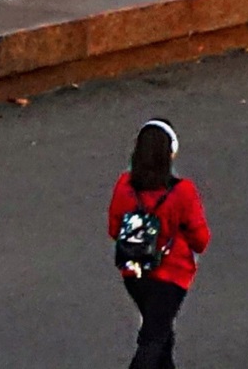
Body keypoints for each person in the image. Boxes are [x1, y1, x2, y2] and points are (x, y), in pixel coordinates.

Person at [108, 116, 206, 367]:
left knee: (162, 333)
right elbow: (200, 239)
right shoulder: (182, 191)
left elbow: (113, 229)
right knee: (153, 338)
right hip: (171, 277)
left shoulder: (124, 186)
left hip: (134, 274)